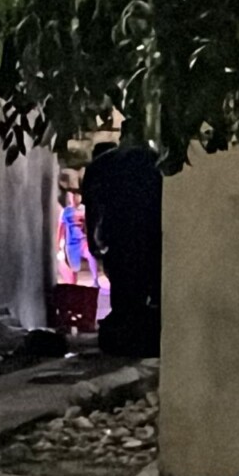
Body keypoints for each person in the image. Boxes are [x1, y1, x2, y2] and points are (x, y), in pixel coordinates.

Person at [81, 141, 163, 357]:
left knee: (123, 287)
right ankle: (144, 335)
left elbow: (92, 208)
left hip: (119, 232)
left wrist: (93, 243)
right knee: (150, 284)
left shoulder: (98, 168)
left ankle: (126, 335)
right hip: (152, 230)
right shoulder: (151, 160)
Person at [56, 191, 101, 286]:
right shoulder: (65, 212)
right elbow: (61, 228)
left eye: (76, 195)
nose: (74, 198)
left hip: (83, 241)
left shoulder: (84, 209)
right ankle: (73, 285)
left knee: (90, 255)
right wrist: (58, 244)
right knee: (73, 272)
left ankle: (95, 281)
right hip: (71, 245)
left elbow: (93, 225)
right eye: (72, 195)